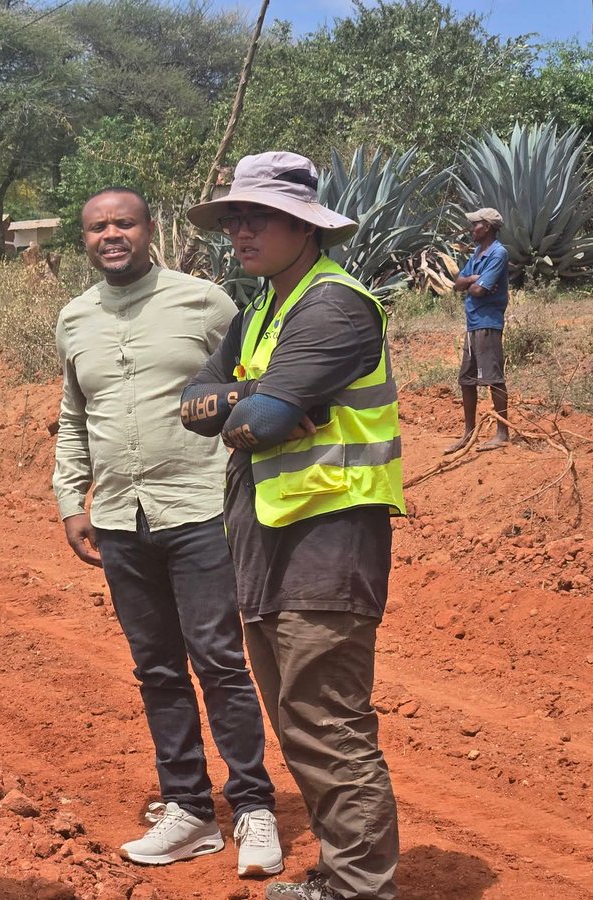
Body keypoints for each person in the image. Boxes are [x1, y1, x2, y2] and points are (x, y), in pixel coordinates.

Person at [180, 151, 405, 900]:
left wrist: (248, 408)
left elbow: (261, 424)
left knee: (329, 725)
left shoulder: (334, 305)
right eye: (235, 216)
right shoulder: (259, 314)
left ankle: (359, 890)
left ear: (304, 224)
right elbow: (197, 405)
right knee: (299, 721)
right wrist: (246, 398)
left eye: (260, 215)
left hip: (326, 548)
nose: (241, 229)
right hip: (270, 550)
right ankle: (343, 878)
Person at [53, 186, 283, 879]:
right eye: (97, 227)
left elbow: (259, 387)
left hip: (200, 509)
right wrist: (72, 498)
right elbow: (73, 414)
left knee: (218, 658)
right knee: (156, 669)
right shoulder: (73, 318)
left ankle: (254, 806)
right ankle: (189, 810)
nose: (111, 235)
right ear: (84, 239)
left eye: (124, 223)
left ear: (149, 230)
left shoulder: (205, 303)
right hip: (121, 518)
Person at [445, 207, 510, 453]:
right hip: (473, 322)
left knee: (493, 378)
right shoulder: (477, 253)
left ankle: (503, 433)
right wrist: (474, 279)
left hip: (488, 322)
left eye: (477, 224)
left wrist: (473, 282)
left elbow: (478, 291)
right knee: (467, 379)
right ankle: (468, 433)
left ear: (489, 227)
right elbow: (458, 285)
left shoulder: (498, 253)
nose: (473, 229)